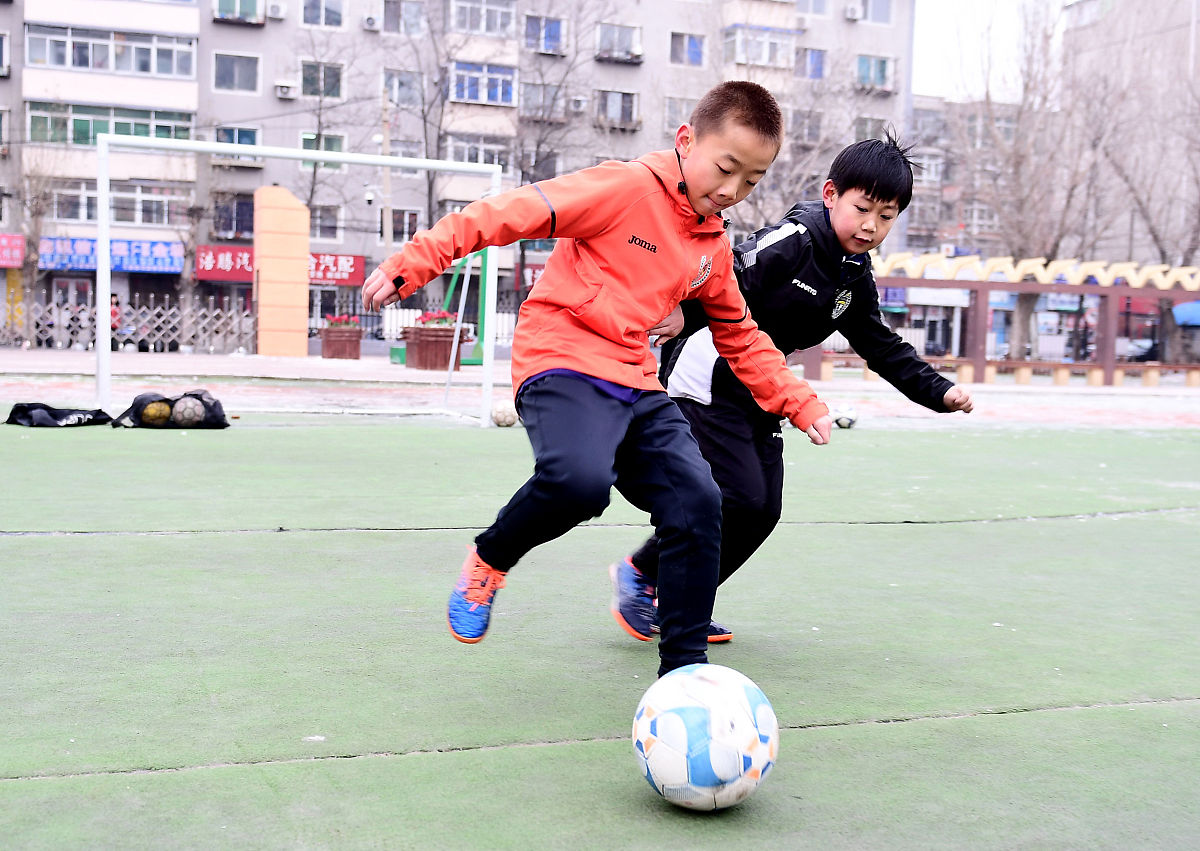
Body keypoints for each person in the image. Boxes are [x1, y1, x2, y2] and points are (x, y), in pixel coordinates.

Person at [362, 81, 833, 677]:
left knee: (700, 501)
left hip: (635, 379)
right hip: (561, 357)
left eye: (752, 180)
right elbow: (507, 213)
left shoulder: (712, 247)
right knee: (580, 484)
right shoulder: (625, 188)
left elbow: (740, 333)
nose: (732, 191)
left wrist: (797, 400)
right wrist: (416, 260)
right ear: (687, 142)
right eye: (726, 168)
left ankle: (683, 677)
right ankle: (490, 557)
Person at [609, 132, 975, 644]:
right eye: (862, 208)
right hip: (709, 369)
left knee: (763, 508)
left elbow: (880, 344)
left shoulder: (853, 277)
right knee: (735, 495)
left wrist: (938, 392)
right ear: (831, 195)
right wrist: (676, 307)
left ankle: (672, 593)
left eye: (887, 216)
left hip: (764, 386)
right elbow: (724, 273)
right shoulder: (793, 242)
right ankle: (650, 577)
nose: (871, 225)